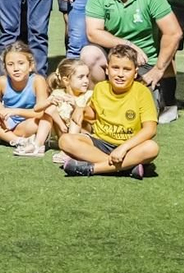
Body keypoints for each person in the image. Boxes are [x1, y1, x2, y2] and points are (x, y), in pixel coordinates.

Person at [82, 0, 183, 117]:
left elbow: (173, 33)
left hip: (145, 64)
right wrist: (129, 46)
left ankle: (158, 96)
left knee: (140, 113)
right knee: (89, 54)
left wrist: (158, 70)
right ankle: (97, 102)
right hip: (113, 61)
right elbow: (93, 33)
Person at [58, 45, 160, 178]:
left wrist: (123, 148)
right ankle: (126, 167)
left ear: (135, 73)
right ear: (107, 69)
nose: (120, 74)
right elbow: (95, 114)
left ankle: (93, 168)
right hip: (101, 142)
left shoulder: (142, 92)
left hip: (129, 146)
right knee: (65, 140)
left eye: (127, 69)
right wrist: (82, 110)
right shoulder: (100, 88)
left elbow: (150, 129)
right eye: (115, 68)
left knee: (152, 148)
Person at [0, 41, 51, 156]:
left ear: (31, 66)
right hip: (5, 123)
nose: (16, 68)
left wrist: (15, 111)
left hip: (27, 124)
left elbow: (40, 113)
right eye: (10, 64)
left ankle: (23, 140)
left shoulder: (38, 81)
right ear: (5, 68)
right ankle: (18, 141)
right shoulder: (2, 81)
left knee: (47, 115)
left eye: (21, 63)